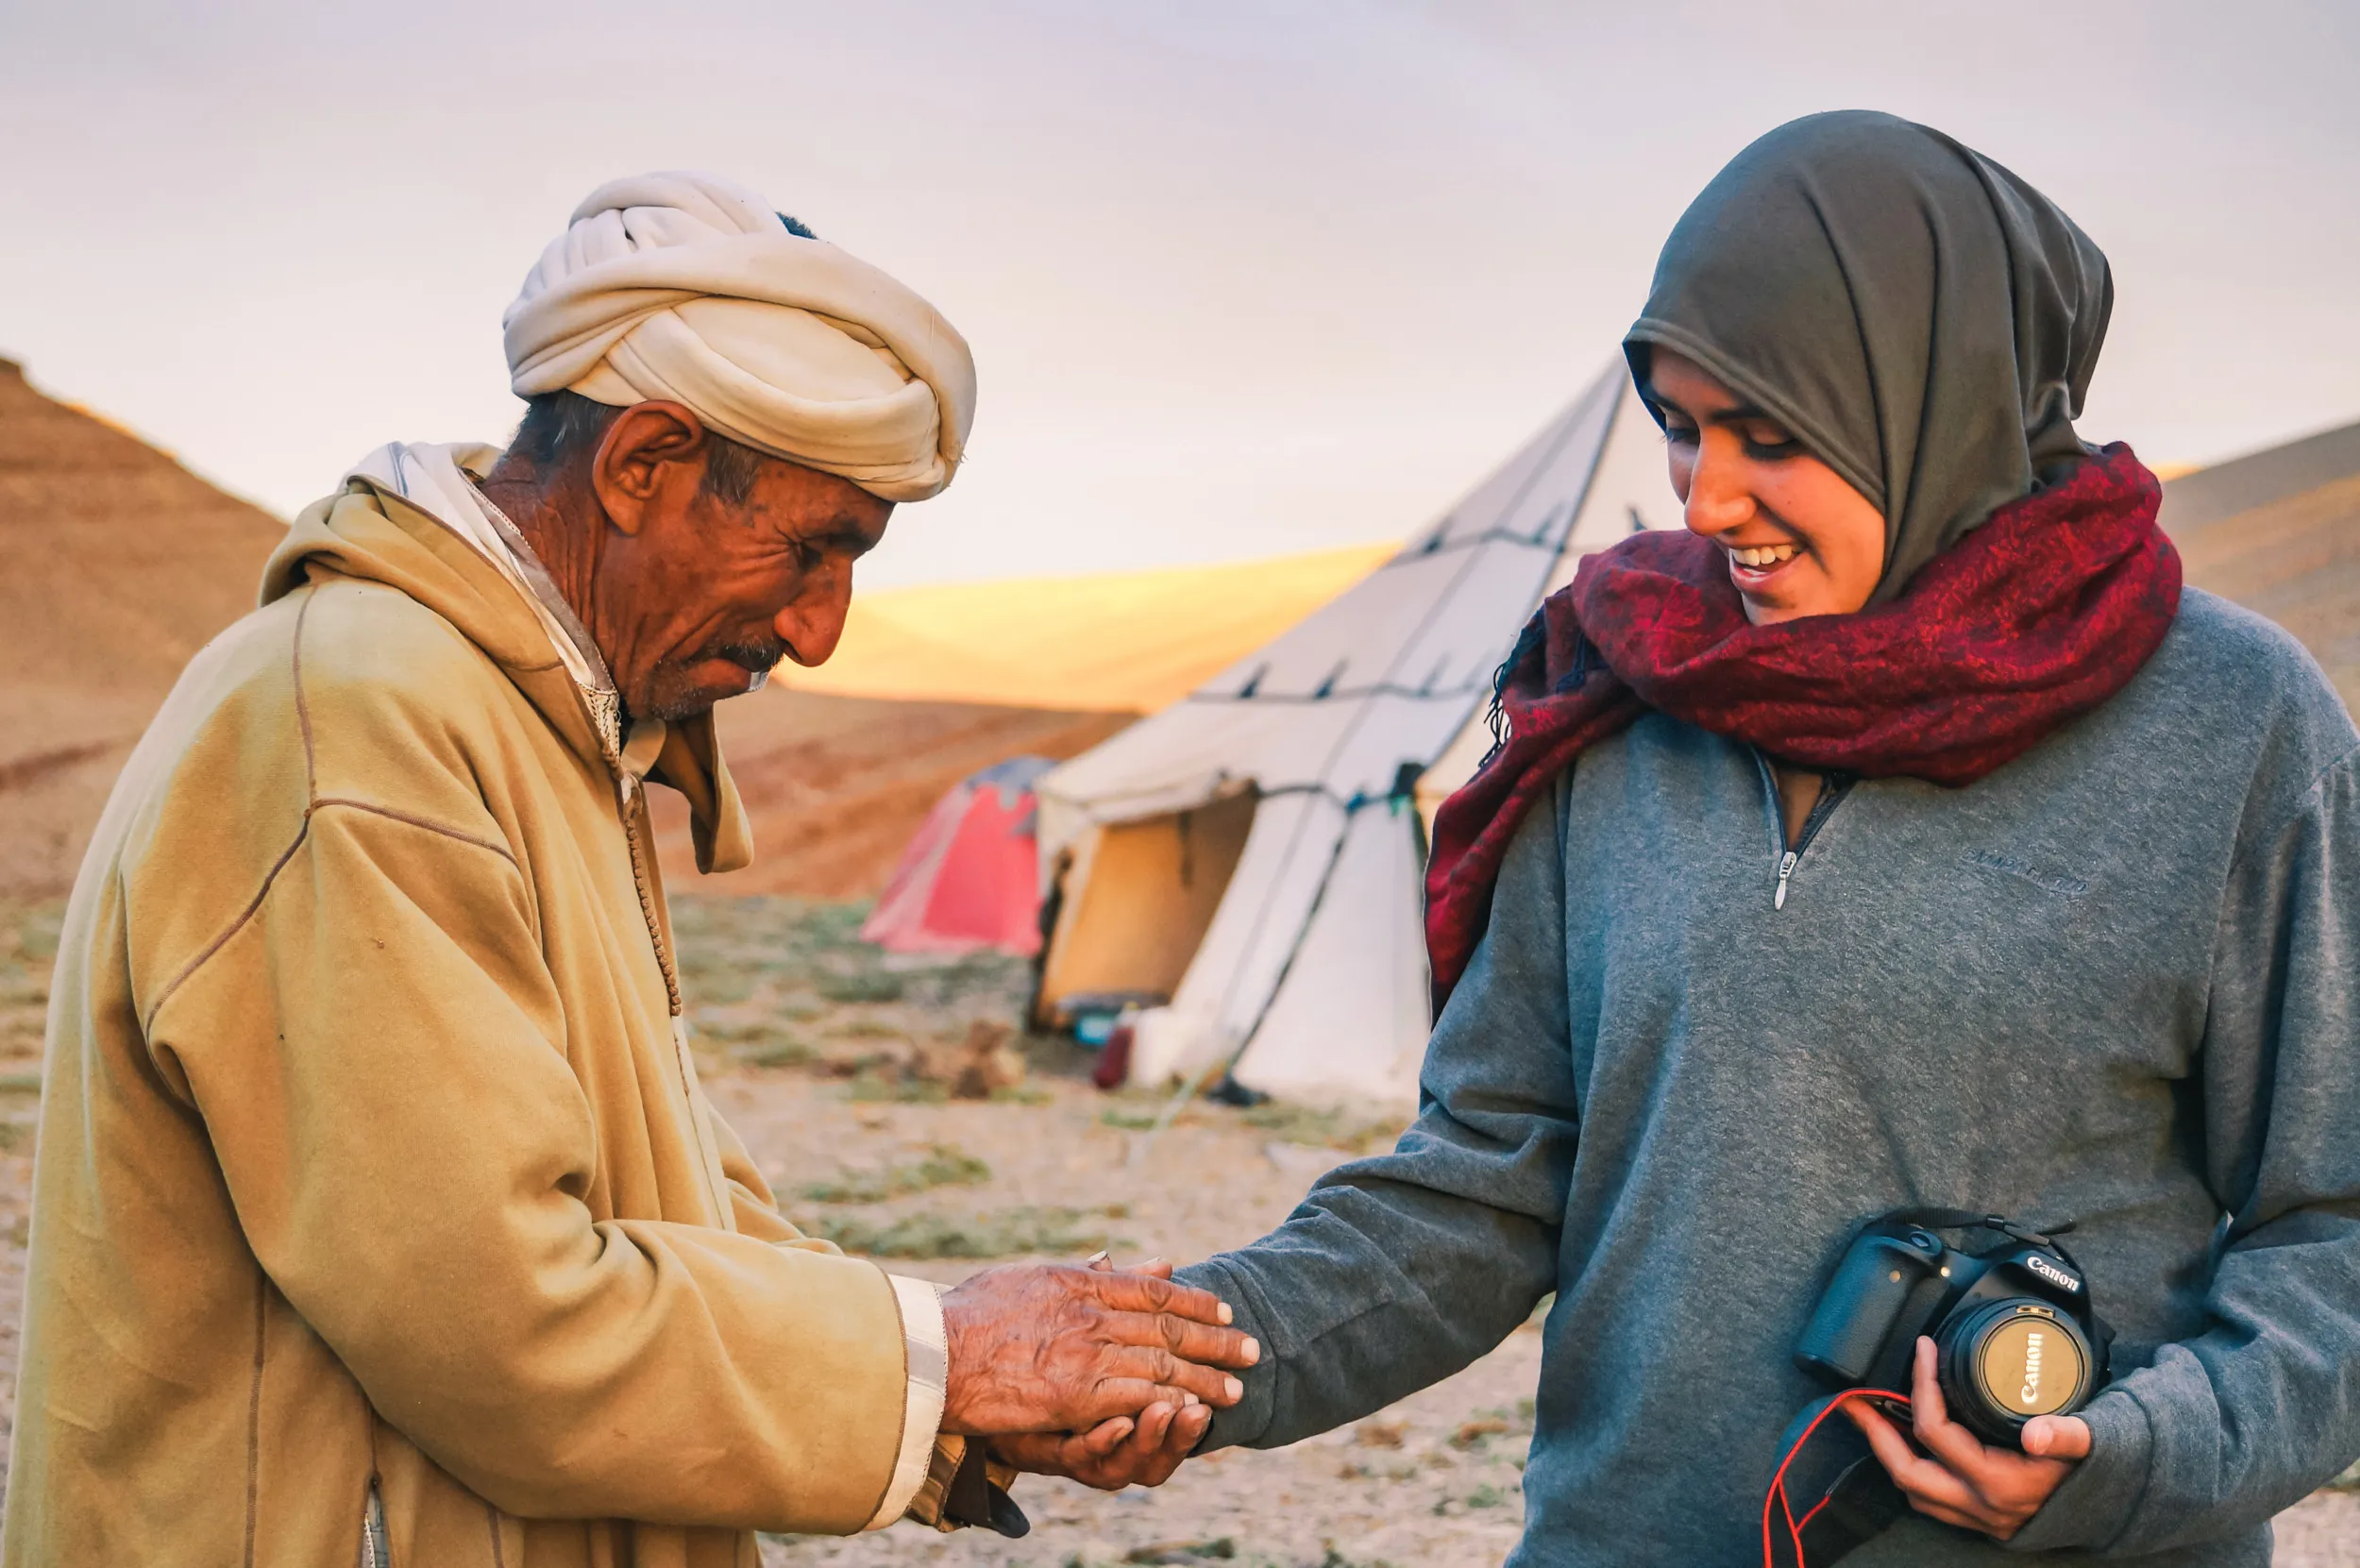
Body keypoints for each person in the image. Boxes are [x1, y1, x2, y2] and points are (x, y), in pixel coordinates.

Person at [1003, 113, 2360, 1561]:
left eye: (1772, 436)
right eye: (1680, 426)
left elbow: (2332, 1223)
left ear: (1938, 403)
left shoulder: (2229, 722)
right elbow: (1491, 1174)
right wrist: (1199, 1356)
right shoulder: (1620, 687)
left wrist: (2135, 1453)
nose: (1708, 501)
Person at [1, 172, 1250, 1566]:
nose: (826, 630)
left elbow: (658, 1206)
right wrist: (949, 1357)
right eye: (812, 547)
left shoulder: (521, 718)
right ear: (643, 462)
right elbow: (497, 1323)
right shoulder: (356, 723)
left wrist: (953, 1399)